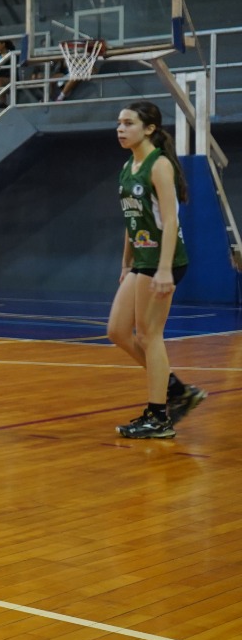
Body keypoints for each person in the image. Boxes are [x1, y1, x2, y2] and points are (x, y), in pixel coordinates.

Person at [106, 101, 206, 439]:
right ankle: (176, 389)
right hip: (142, 261)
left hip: (165, 261)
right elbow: (132, 219)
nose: (121, 129)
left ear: (149, 128)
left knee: (149, 336)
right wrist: (126, 262)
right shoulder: (127, 166)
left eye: (129, 123)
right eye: (119, 123)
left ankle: (158, 416)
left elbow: (171, 218)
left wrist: (164, 270)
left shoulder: (158, 165)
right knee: (118, 331)